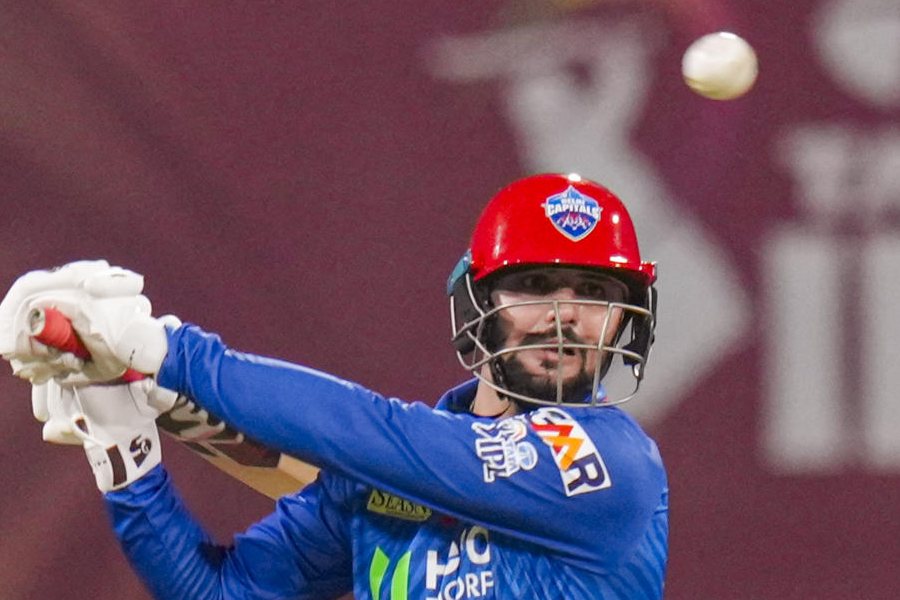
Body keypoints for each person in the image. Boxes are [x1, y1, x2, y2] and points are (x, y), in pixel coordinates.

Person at [0, 173, 668, 599]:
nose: (565, 316)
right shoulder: (383, 477)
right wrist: (124, 453)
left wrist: (171, 354)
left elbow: (373, 433)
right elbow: (221, 593)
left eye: (595, 292)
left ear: (624, 320)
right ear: (477, 304)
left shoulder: (610, 464)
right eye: (535, 285)